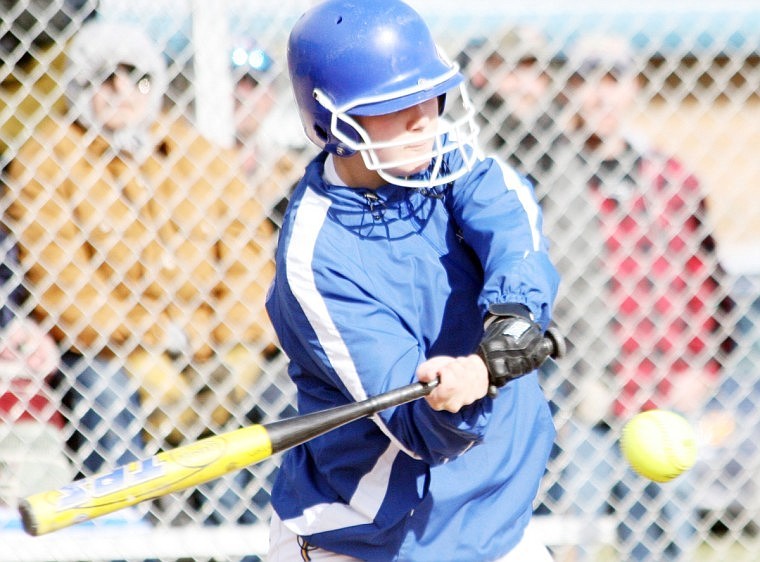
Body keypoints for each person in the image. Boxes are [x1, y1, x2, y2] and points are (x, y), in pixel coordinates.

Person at [265, 1, 561, 561]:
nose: (423, 114)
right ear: (334, 124)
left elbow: (509, 216)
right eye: (394, 104)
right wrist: (451, 394)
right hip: (373, 536)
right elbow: (417, 428)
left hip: (493, 519)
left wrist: (511, 321)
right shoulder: (316, 257)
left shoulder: (437, 161)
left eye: (429, 92)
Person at [4, 18, 277, 511]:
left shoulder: (199, 153)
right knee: (104, 388)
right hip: (114, 346)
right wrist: (154, 339)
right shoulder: (46, 158)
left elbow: (250, 262)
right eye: (104, 77)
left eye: (137, 76)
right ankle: (127, 535)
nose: (122, 90)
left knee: (259, 390)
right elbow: (63, 287)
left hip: (208, 338)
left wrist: (227, 342)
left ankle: (235, 533)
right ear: (78, 87)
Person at [540, 35, 732, 561]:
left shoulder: (670, 178)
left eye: (612, 81)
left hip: (666, 390)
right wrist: (571, 377)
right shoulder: (550, 178)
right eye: (585, 83)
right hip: (588, 391)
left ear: (633, 89)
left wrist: (702, 366)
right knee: (570, 539)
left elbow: (707, 279)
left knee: (666, 539)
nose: (600, 97)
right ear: (569, 94)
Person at [456, 26, 562, 189]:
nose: (525, 86)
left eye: (538, 73)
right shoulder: (466, 128)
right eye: (512, 71)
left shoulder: (554, 130)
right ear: (485, 72)